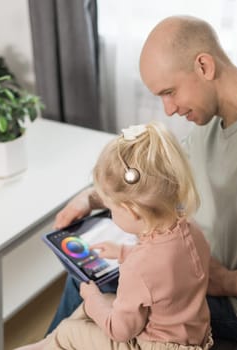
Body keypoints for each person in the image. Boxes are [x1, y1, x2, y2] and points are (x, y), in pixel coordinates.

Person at [47, 15, 237, 342]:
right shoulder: (215, 119)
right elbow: (155, 180)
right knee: (88, 272)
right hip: (190, 269)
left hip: (234, 306)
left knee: (88, 287)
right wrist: (92, 197)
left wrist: (224, 280)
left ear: (203, 66)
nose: (168, 110)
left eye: (169, 92)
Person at [17, 121, 214, 350]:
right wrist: (122, 251)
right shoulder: (192, 231)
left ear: (130, 210)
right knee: (91, 310)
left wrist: (91, 299)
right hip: (192, 339)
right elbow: (164, 270)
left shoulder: (137, 268)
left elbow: (120, 331)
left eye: (112, 209)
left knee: (69, 331)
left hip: (154, 346)